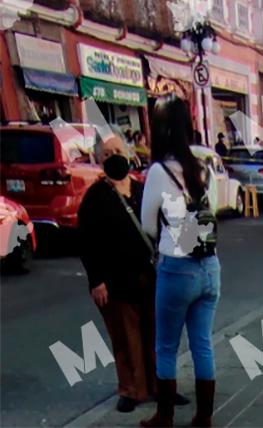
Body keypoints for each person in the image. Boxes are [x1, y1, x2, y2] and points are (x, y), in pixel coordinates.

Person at [140, 94, 220, 427]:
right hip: (210, 267)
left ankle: (166, 414)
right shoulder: (202, 167)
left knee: (166, 346)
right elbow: (211, 213)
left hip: (177, 269)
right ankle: (203, 416)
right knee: (202, 343)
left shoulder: (159, 171)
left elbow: (146, 224)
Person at [78, 132, 158, 413]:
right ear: (100, 161)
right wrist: (96, 281)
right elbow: (87, 242)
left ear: (128, 153)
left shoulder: (141, 190)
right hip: (115, 283)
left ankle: (158, 385)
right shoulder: (95, 197)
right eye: (107, 154)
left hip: (149, 278)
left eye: (117, 151)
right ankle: (131, 390)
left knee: (153, 334)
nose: (113, 158)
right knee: (125, 338)